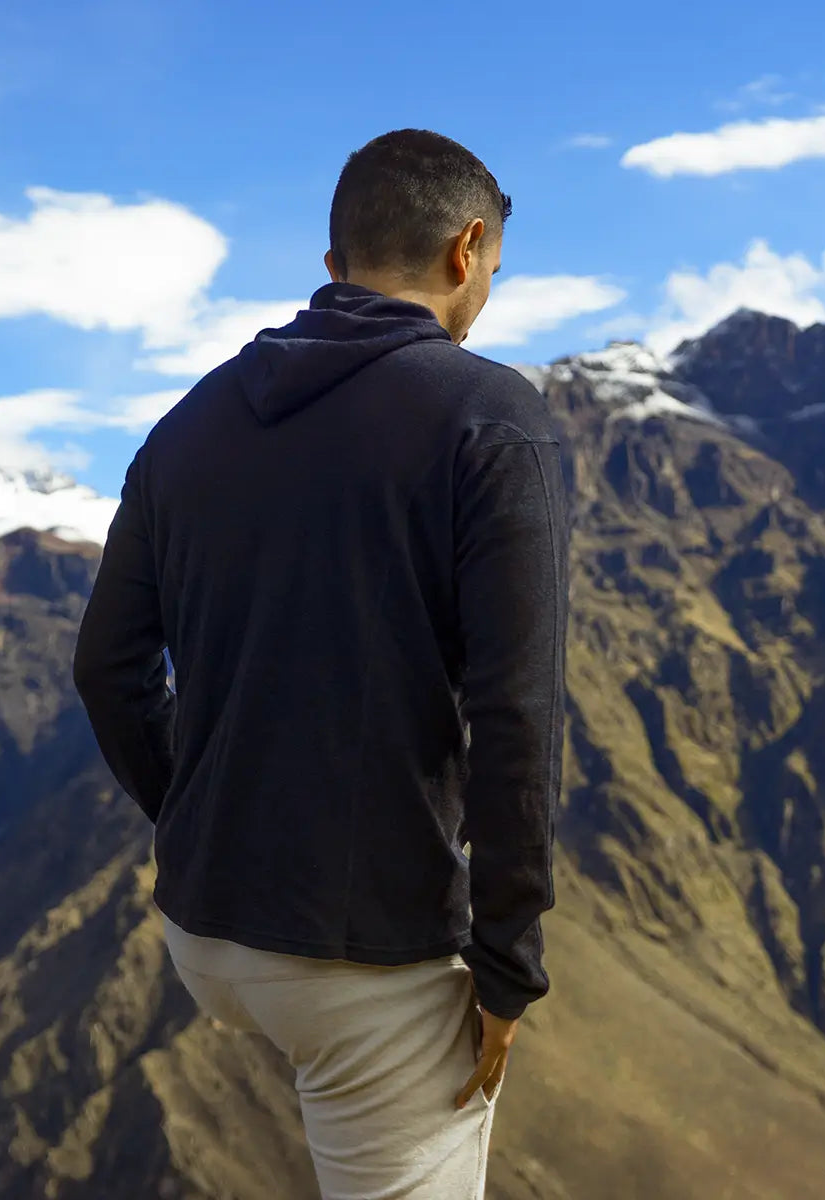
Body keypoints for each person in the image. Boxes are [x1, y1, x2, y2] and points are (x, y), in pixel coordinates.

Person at [73, 127, 569, 1199]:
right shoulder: (491, 418)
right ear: (466, 249)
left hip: (208, 931)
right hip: (369, 962)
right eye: (493, 271)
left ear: (334, 263)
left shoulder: (183, 430)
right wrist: (509, 967)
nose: (487, 294)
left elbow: (107, 670)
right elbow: (516, 716)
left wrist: (199, 812)